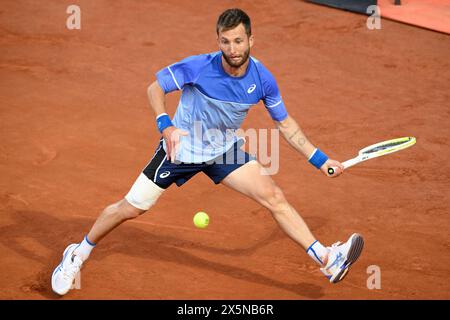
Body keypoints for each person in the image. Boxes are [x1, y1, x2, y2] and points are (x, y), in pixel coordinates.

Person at [51, 8, 364, 296]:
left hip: (222, 151)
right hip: (181, 151)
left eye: (239, 40)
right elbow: (154, 88)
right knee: (130, 208)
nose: (233, 49)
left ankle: (327, 257)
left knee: (274, 197)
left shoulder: (262, 79)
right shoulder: (199, 66)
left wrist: (320, 160)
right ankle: (79, 251)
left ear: (251, 39)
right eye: (225, 42)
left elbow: (285, 124)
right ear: (219, 42)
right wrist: (166, 126)